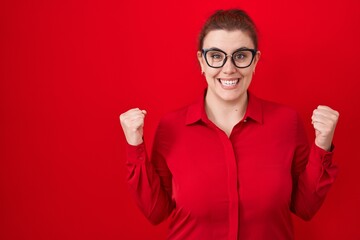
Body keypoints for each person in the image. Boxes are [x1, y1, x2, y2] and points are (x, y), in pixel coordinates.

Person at [119, 9, 339, 240]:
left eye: (241, 56)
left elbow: (305, 207)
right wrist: (135, 146)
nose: (229, 68)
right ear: (201, 61)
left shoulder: (287, 122)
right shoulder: (171, 127)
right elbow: (156, 212)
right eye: (216, 56)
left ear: (255, 61)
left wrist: (322, 145)